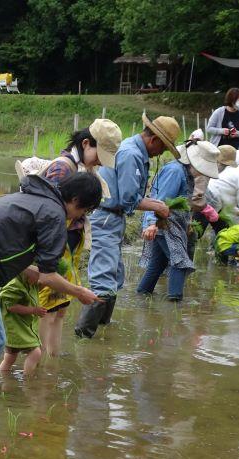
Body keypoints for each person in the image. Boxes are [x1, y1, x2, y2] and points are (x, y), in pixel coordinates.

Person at [0, 172, 102, 398]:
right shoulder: (54, 214)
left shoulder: (34, 198)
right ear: (77, 201)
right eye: (84, 211)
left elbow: (2, 240)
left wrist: (26, 268)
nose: (80, 217)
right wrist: (79, 292)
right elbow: (48, 276)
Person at [75, 115, 180, 338]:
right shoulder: (131, 154)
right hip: (105, 218)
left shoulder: (136, 152)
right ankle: (84, 338)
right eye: (163, 148)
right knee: (104, 277)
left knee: (115, 276)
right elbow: (128, 199)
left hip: (113, 219)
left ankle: (102, 330)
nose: (162, 153)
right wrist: (158, 207)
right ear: (154, 140)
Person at [34, 120, 122, 356]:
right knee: (48, 308)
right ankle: (40, 359)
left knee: (60, 308)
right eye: (99, 154)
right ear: (86, 143)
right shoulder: (62, 168)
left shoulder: (81, 168)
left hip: (68, 247)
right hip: (55, 248)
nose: (100, 161)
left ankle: (53, 358)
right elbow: (48, 214)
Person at [136, 141, 221, 301]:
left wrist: (188, 223)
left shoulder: (185, 172)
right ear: (194, 162)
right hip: (163, 224)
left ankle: (142, 297)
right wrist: (152, 224)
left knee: (157, 265)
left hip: (173, 225)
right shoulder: (175, 171)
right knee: (180, 263)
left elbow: (183, 202)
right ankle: (175, 307)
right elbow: (159, 200)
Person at [0, 268, 47, 374]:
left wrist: (48, 283)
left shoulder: (29, 280)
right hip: (16, 327)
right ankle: (28, 380)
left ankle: (2, 376)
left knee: (10, 357)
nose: (39, 280)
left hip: (17, 328)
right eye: (38, 277)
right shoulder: (14, 285)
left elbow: (37, 287)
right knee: (35, 352)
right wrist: (33, 310)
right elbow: (10, 306)